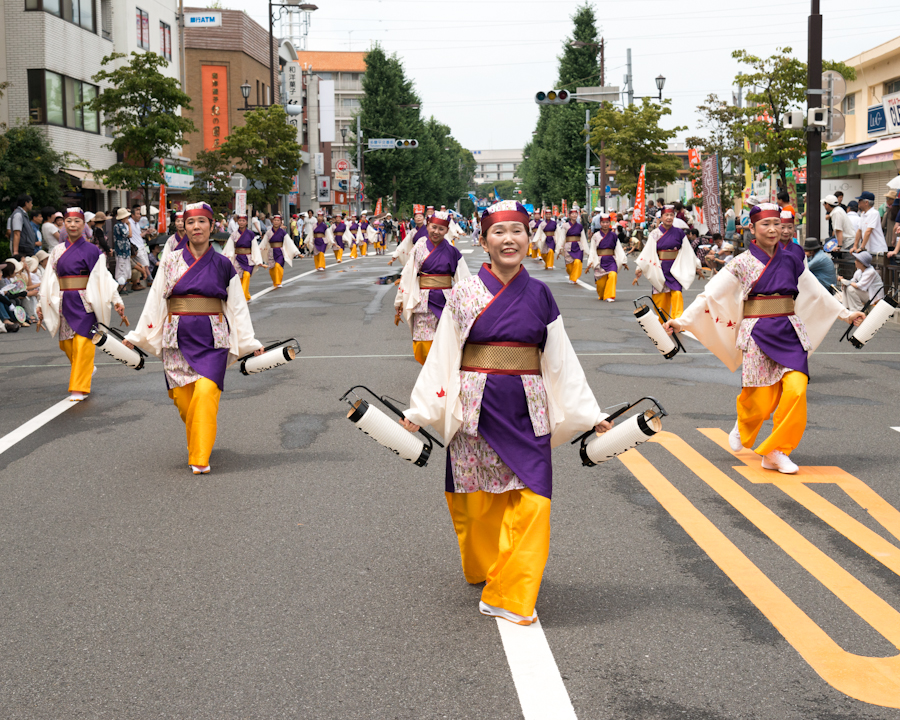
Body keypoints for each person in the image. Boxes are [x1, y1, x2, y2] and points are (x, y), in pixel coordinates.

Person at [397, 199, 613, 625]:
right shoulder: (464, 293)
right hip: (474, 406)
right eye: (499, 232)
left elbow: (560, 357)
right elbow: (443, 355)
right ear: (483, 241)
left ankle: (509, 595)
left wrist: (590, 413)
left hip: (527, 409)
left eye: (517, 230)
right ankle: (487, 566)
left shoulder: (541, 294)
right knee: (477, 501)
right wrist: (420, 410)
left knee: (535, 500)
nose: (509, 239)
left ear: (528, 237)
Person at [663, 203, 864, 475]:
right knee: (761, 398)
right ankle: (744, 420)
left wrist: (846, 314)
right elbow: (710, 295)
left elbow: (816, 291)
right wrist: (682, 321)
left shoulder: (793, 258)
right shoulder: (741, 262)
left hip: (790, 331)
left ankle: (776, 451)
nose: (773, 229)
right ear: (752, 229)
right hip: (757, 332)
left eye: (776, 224)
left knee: (796, 389)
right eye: (765, 224)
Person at [123, 203, 264, 474]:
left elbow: (236, 306)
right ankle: (199, 440)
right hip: (176, 338)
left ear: (212, 227)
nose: (196, 227)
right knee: (184, 400)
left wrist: (250, 342)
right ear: (184, 227)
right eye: (191, 222)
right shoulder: (170, 260)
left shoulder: (224, 264)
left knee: (206, 393)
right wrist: (137, 335)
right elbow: (155, 301)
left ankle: (200, 457)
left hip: (213, 340)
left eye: (202, 221)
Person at [36, 208, 127, 401]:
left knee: (82, 342)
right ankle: (88, 369)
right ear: (64, 224)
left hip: (86, 302)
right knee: (66, 345)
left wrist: (117, 300)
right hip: (63, 301)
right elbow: (48, 279)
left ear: (83, 225)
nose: (73, 225)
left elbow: (104, 278)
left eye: (77, 221)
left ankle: (79, 387)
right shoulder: (57, 251)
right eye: (69, 221)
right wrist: (40, 303)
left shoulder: (93, 250)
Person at [394, 210, 469, 364]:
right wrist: (400, 300)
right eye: (433, 227)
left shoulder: (453, 252)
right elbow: (408, 275)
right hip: (423, 299)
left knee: (447, 339)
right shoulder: (419, 247)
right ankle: (428, 371)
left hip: (446, 301)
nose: (436, 232)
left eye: (441, 229)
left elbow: (464, 279)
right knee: (422, 342)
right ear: (428, 226)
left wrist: (468, 302)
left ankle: (441, 373)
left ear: (447, 231)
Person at [633, 204, 701, 320]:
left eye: (671, 215)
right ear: (661, 217)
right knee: (661, 298)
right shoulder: (655, 233)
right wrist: (639, 268)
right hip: (660, 268)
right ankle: (662, 320)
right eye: (666, 215)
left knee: (677, 294)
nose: (669, 217)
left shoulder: (679, 233)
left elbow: (687, 251)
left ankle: (677, 320)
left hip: (675, 267)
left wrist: (697, 265)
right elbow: (647, 251)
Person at [586, 213, 627, 302]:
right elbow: (592, 250)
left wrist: (623, 261)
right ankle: (603, 294)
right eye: (603, 222)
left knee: (613, 275)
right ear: (600, 223)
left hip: (611, 260)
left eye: (607, 222)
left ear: (610, 223)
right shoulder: (596, 236)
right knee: (601, 284)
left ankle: (610, 295)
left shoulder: (613, 235)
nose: (605, 224)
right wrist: (590, 262)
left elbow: (618, 248)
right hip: (600, 261)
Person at [223, 213, 264, 299]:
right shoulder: (234, 234)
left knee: (247, 275)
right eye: (240, 220)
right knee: (239, 278)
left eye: (243, 221)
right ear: (237, 221)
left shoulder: (251, 234)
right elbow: (229, 247)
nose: (241, 222)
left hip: (248, 258)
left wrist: (258, 260)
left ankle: (242, 297)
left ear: (246, 222)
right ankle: (246, 295)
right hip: (237, 258)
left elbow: (255, 248)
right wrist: (226, 258)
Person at [258, 214, 300, 288]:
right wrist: (257, 251)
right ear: (272, 221)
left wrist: (297, 252)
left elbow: (289, 242)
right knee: (272, 269)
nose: (276, 222)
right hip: (271, 252)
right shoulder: (268, 232)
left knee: (278, 266)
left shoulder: (283, 232)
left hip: (280, 252)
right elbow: (263, 243)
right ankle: (275, 282)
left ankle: (278, 282)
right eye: (275, 220)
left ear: (281, 222)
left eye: (278, 220)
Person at [557, 207, 588, 284]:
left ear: (577, 215)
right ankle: (572, 275)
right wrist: (559, 248)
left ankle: (573, 278)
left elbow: (583, 238)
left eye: (576, 214)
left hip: (578, 246)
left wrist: (587, 250)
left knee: (577, 262)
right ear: (569, 215)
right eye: (572, 214)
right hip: (569, 247)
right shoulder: (565, 226)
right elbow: (562, 237)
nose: (574, 215)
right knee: (569, 266)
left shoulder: (580, 226)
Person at [113, 208, 133, 295]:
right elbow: (130, 235)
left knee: (125, 268)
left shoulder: (121, 225)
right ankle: (121, 287)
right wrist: (129, 225)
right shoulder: (119, 226)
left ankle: (123, 286)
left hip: (124, 250)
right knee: (121, 268)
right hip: (121, 251)